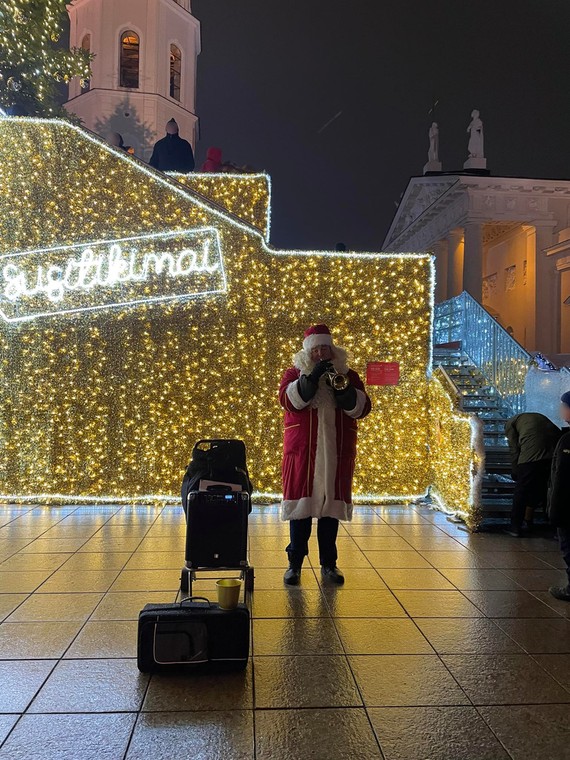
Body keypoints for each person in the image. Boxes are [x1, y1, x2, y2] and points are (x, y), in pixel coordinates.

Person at [278, 324, 371, 585]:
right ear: (308, 352)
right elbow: (289, 401)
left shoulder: (346, 374)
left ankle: (329, 564)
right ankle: (294, 564)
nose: (321, 353)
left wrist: (343, 390)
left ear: (332, 349)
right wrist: (310, 379)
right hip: (303, 454)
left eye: (325, 348)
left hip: (336, 453)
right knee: (300, 513)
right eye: (316, 349)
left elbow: (362, 408)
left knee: (330, 513)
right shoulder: (293, 373)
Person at [504, 412, 561, 536]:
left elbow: (514, 449)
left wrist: (515, 470)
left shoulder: (509, 424)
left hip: (532, 455)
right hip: (553, 451)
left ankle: (515, 526)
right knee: (546, 489)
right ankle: (552, 526)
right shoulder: (533, 417)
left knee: (521, 490)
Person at [548, 392, 570, 600]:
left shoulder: (567, 441)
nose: (561, 410)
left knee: (568, 546)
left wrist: (554, 509)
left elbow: (561, 477)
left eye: (564, 406)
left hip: (566, 506)